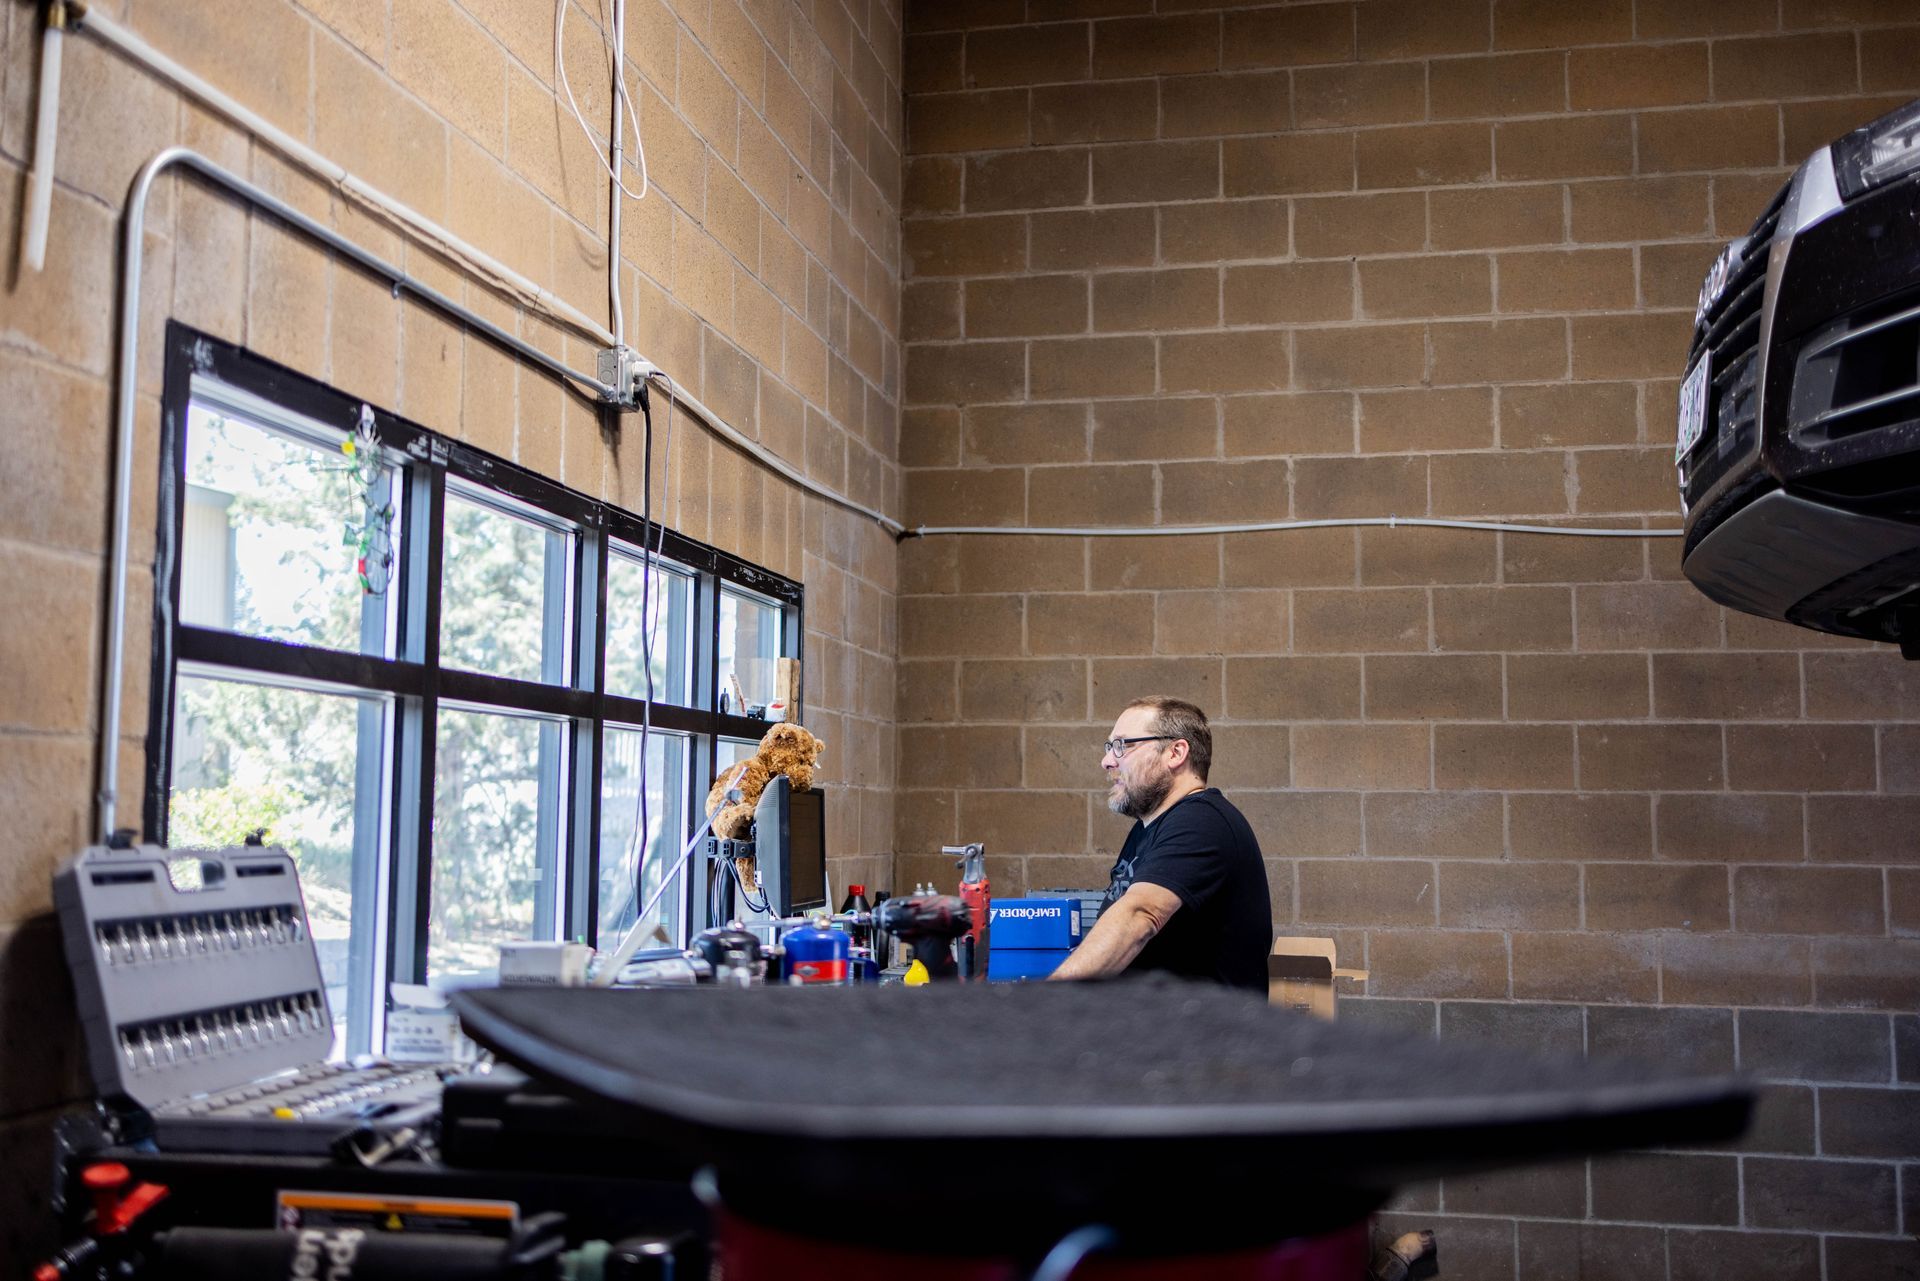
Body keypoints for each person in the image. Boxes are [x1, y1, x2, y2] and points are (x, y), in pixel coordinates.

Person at [1048, 696, 1271, 992]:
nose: (1107, 761)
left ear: (1175, 753)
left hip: (1199, 1021)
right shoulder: (1148, 828)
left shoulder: (1201, 821)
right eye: (1109, 747)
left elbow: (1140, 914)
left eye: (1122, 745)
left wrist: (1048, 1000)